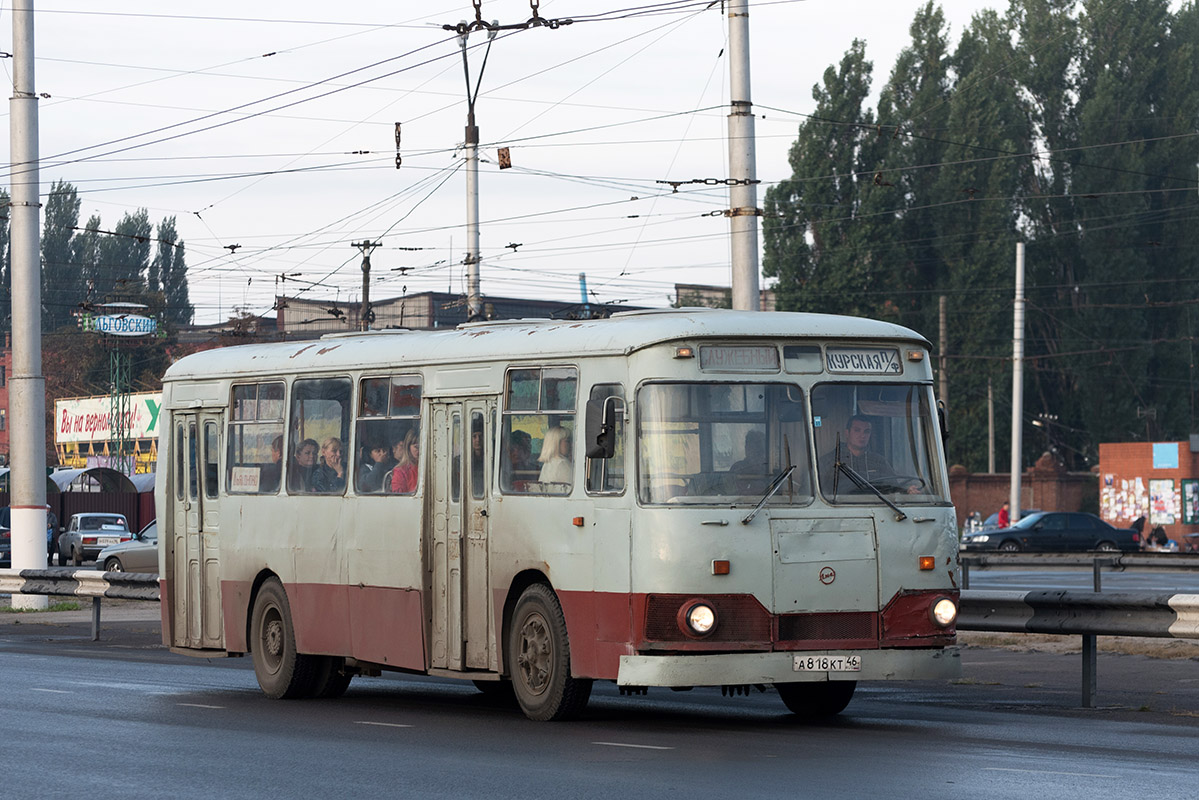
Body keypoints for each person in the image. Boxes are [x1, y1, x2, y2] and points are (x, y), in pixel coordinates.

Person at [819, 414, 919, 494]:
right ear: (847, 433)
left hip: (876, 508)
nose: (862, 435)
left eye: (866, 431)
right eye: (857, 430)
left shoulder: (879, 462)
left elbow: (893, 487)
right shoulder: (829, 461)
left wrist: (906, 490)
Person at [388, 428, 420, 494]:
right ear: (408, 447)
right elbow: (400, 499)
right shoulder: (400, 471)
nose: (420, 450)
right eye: (416, 447)